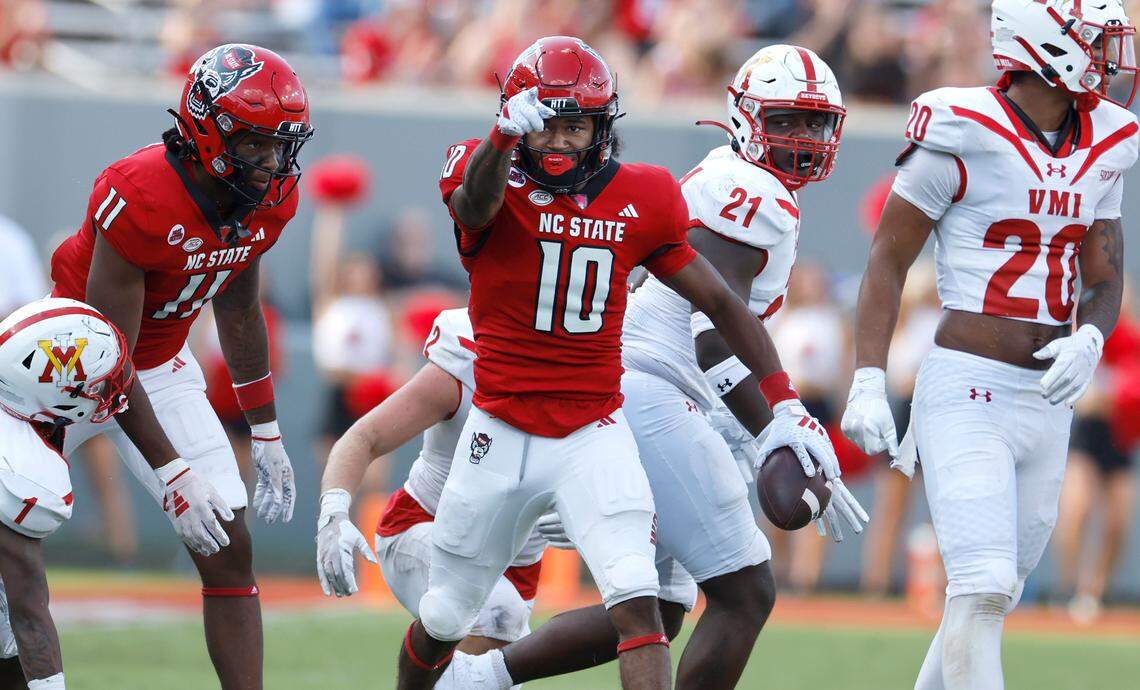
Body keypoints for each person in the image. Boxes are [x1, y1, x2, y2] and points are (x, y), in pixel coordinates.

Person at [399, 35, 850, 690]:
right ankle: (470, 672)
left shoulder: (711, 181)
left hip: (640, 392)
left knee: (659, 609)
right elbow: (712, 328)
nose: (803, 136)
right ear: (746, 117)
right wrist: (779, 418)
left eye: (815, 121)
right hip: (648, 397)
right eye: (785, 120)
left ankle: (475, 678)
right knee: (745, 593)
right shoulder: (750, 192)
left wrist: (763, 417)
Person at [840, 2, 1138, 688]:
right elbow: (888, 260)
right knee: (981, 585)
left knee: (988, 599)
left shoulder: (1110, 137)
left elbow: (1104, 269)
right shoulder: (962, 125)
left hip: (1048, 398)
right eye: (1092, 39)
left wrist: (1091, 334)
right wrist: (867, 378)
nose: (1107, 53)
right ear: (1042, 42)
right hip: (966, 384)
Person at [48, 44, 313, 689]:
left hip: (159, 365)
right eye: (254, 144)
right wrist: (171, 471)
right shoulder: (139, 192)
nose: (271, 163)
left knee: (226, 541)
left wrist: (268, 431)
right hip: (67, 363)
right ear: (205, 128)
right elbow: (109, 358)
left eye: (282, 144)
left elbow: (242, 310)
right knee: (10, 533)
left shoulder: (267, 197)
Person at [0, 298, 209, 690]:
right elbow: (28, 610)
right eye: (96, 384)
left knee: (5, 641)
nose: (108, 392)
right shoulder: (16, 465)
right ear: (57, 393)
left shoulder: (19, 409)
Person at [316, 308, 547, 656]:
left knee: (494, 662)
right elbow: (364, 437)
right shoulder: (465, 363)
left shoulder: (598, 366)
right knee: (499, 619)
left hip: (517, 565)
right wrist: (334, 509)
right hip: (426, 528)